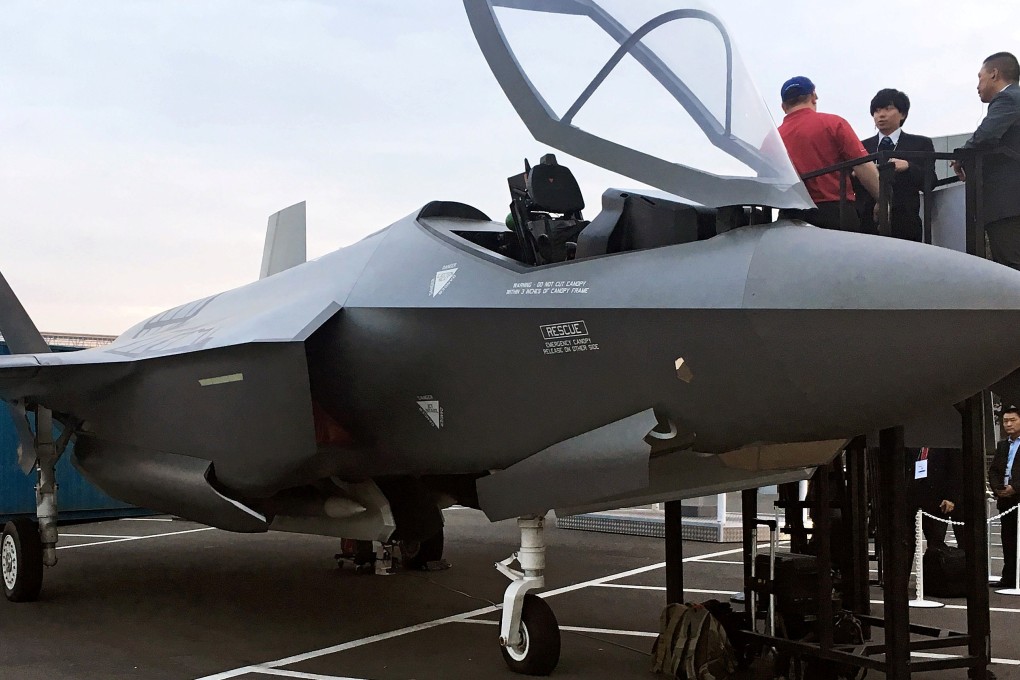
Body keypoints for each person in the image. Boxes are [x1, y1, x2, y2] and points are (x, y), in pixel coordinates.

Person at [777, 76, 881, 231]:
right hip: (834, 212)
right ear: (814, 97)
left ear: (783, 106)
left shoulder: (773, 138)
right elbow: (862, 165)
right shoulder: (834, 124)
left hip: (789, 216)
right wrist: (882, 199)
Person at [952, 52, 1020, 269]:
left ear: (994, 74)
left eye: (979, 77)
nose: (977, 85)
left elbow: (986, 135)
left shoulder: (1008, 97)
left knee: (1009, 266)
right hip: (1010, 201)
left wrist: (961, 156)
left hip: (1007, 202)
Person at [858, 89, 938, 241]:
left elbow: (930, 181)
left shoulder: (920, 143)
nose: (881, 115)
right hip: (867, 224)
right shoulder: (862, 146)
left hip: (905, 222)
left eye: (888, 109)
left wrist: (908, 166)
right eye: (876, 110)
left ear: (903, 114)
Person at [989, 405, 1020, 587]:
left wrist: (1015, 488)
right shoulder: (1002, 445)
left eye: (1012, 420)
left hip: (1018, 496)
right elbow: (993, 470)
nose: (1008, 424)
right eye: (1005, 421)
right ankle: (1008, 577)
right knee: (1007, 540)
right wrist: (997, 488)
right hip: (1005, 500)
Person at [907, 447, 962, 549]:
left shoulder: (945, 446)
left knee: (936, 543)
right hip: (913, 498)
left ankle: (934, 564)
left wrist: (950, 498)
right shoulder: (913, 446)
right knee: (908, 543)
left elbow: (954, 471)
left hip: (937, 501)